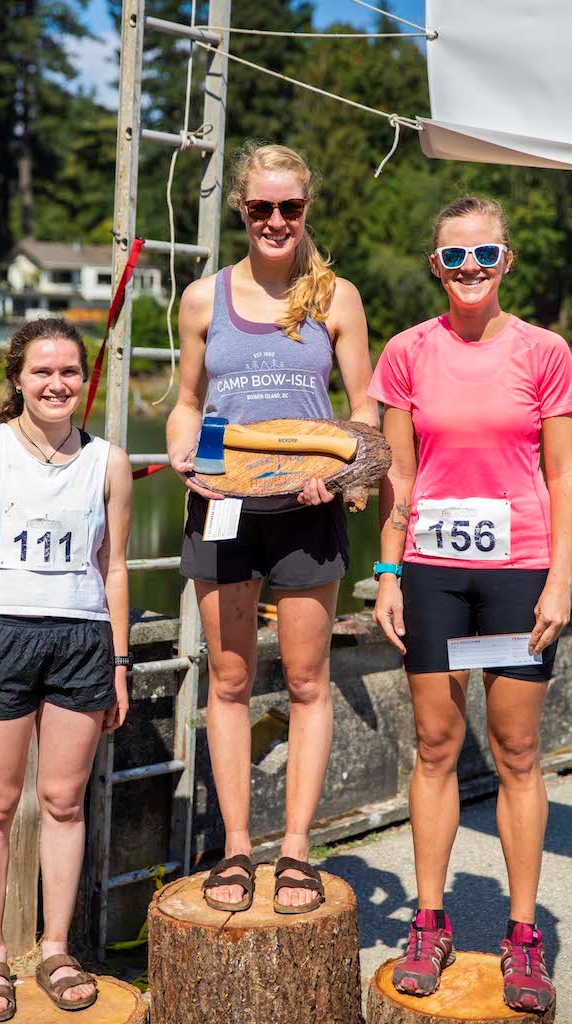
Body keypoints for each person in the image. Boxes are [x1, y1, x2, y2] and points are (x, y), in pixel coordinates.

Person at [369, 196, 572, 1013]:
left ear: (506, 262)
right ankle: (428, 921)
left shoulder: (543, 351)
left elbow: (565, 478)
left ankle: (521, 933)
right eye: (453, 258)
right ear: (434, 265)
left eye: (483, 257)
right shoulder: (405, 352)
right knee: (432, 743)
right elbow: (397, 476)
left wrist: (559, 579)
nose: (468, 271)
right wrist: (386, 571)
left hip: (516, 570)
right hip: (431, 571)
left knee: (517, 752)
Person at [166, 142, 378, 913]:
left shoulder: (335, 297)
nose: (276, 220)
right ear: (242, 212)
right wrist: (182, 443)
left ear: (306, 210)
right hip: (220, 499)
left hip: (307, 507)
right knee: (227, 681)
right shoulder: (202, 298)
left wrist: (345, 470)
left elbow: (362, 410)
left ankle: (294, 850)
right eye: (261, 208)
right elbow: (189, 399)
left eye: (290, 207)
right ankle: (234, 848)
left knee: (304, 681)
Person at [0, 317, 132, 1021]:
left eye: (69, 372)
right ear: (18, 379)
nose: (57, 384)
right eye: (42, 371)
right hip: (1, 635)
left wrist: (118, 661)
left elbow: (112, 568)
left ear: (84, 381)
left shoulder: (107, 461)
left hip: (81, 640)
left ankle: (55, 946)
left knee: (62, 802)